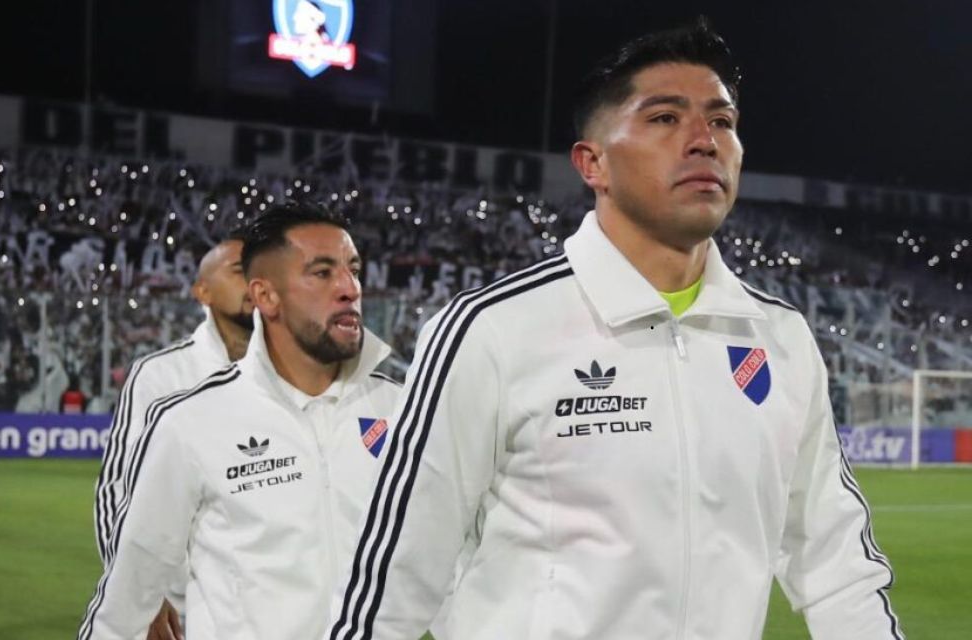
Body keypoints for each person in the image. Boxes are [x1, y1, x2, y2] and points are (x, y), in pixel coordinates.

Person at [329, 19, 902, 640]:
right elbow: (395, 580)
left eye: (722, 121)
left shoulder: (779, 338)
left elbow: (836, 563)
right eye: (665, 118)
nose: (704, 141)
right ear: (593, 163)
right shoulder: (491, 330)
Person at [78, 203, 401, 640]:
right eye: (323, 272)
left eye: (354, 270)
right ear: (265, 296)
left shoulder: (401, 409)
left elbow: (450, 564)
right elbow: (124, 601)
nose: (349, 288)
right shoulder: (188, 420)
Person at [93, 228, 255, 640]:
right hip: (188, 616)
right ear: (203, 291)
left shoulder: (295, 378)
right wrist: (138, 596)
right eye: (240, 270)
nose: (255, 280)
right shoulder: (162, 375)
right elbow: (118, 490)